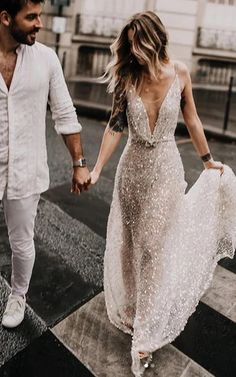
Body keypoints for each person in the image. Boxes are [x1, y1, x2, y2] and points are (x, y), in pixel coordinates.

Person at [90, 11, 236, 377]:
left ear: (156, 42)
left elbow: (192, 118)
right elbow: (114, 127)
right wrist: (95, 169)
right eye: (132, 48)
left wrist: (207, 162)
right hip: (132, 172)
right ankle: (134, 304)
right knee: (128, 243)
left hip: (166, 172)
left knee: (153, 249)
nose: (136, 54)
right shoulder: (126, 77)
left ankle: (145, 333)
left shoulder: (180, 73)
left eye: (141, 47)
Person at [0, 0, 90, 329]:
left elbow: (65, 114)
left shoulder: (47, 59)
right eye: (32, 17)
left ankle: (18, 296)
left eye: (41, 15)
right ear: (6, 18)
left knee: (22, 241)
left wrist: (79, 163)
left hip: (26, 169)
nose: (40, 23)